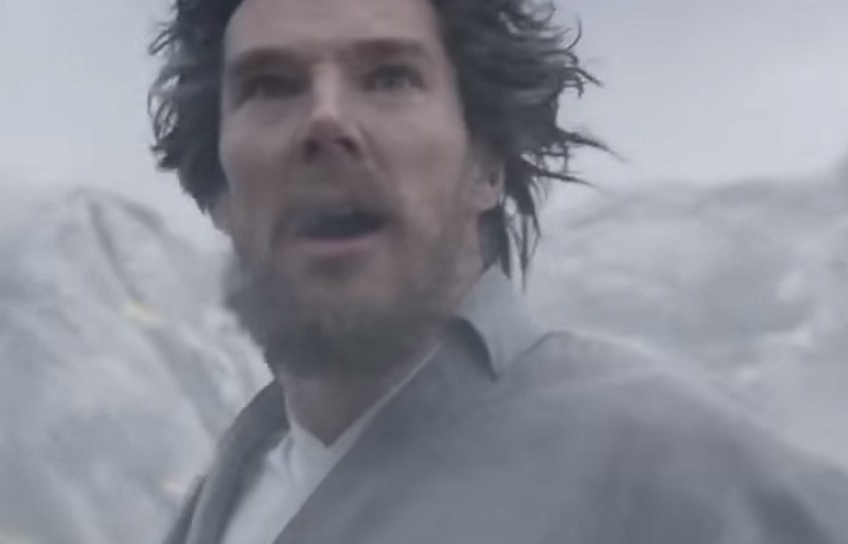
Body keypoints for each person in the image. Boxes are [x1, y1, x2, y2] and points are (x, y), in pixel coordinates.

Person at [148, 0, 848, 542]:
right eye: (271, 85)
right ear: (221, 191)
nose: (326, 121)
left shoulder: (677, 472)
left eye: (389, 77)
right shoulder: (233, 491)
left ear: (486, 163)